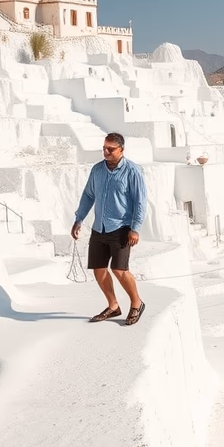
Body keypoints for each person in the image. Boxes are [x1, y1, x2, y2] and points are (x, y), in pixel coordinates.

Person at [72, 132, 148, 326]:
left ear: (121, 150)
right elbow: (89, 195)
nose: (105, 151)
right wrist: (79, 219)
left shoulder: (133, 171)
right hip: (100, 228)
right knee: (99, 270)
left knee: (119, 270)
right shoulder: (97, 170)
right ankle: (113, 306)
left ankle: (136, 303)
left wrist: (135, 228)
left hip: (122, 227)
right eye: (104, 148)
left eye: (110, 149)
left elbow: (140, 202)